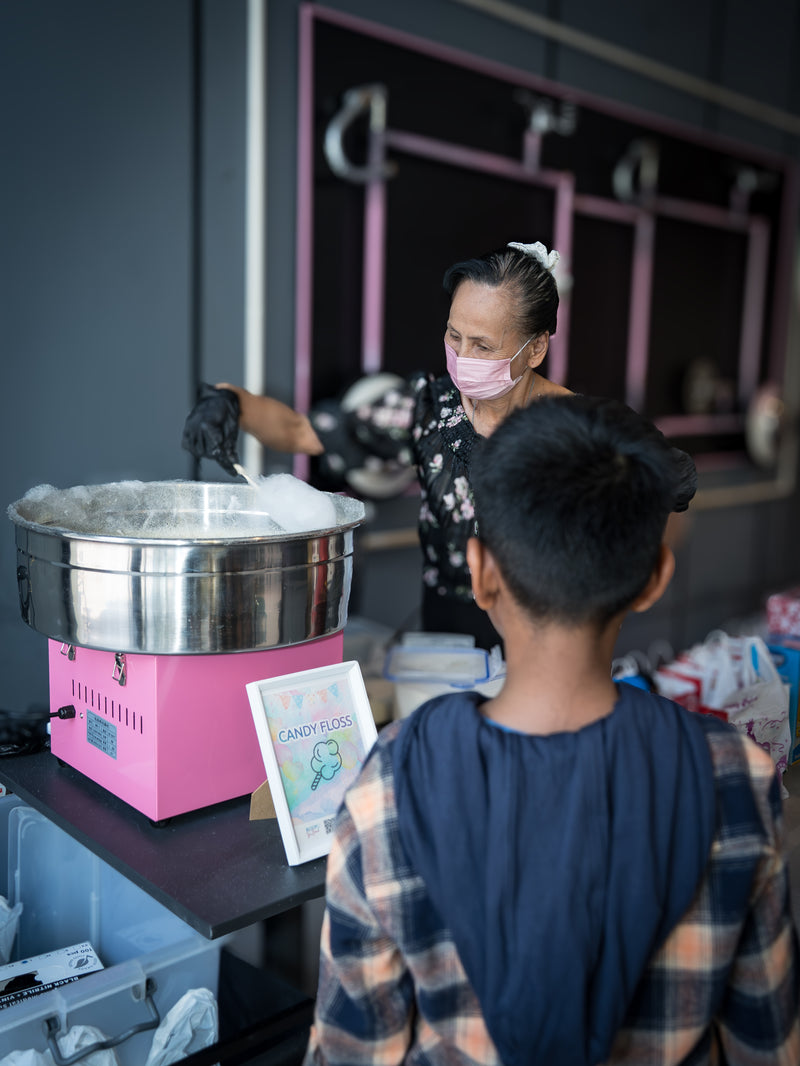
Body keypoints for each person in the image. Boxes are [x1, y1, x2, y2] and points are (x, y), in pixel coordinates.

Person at [302, 395, 800, 1066]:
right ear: (654, 578)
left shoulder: (385, 789)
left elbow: (348, 1054)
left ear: (480, 572)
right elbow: (765, 1046)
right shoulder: (739, 778)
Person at [181, 240, 570, 650]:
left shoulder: (580, 434)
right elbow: (300, 431)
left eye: (483, 346)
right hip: (448, 635)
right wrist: (230, 402)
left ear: (537, 348)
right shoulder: (427, 408)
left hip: (550, 635)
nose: (462, 356)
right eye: (455, 336)